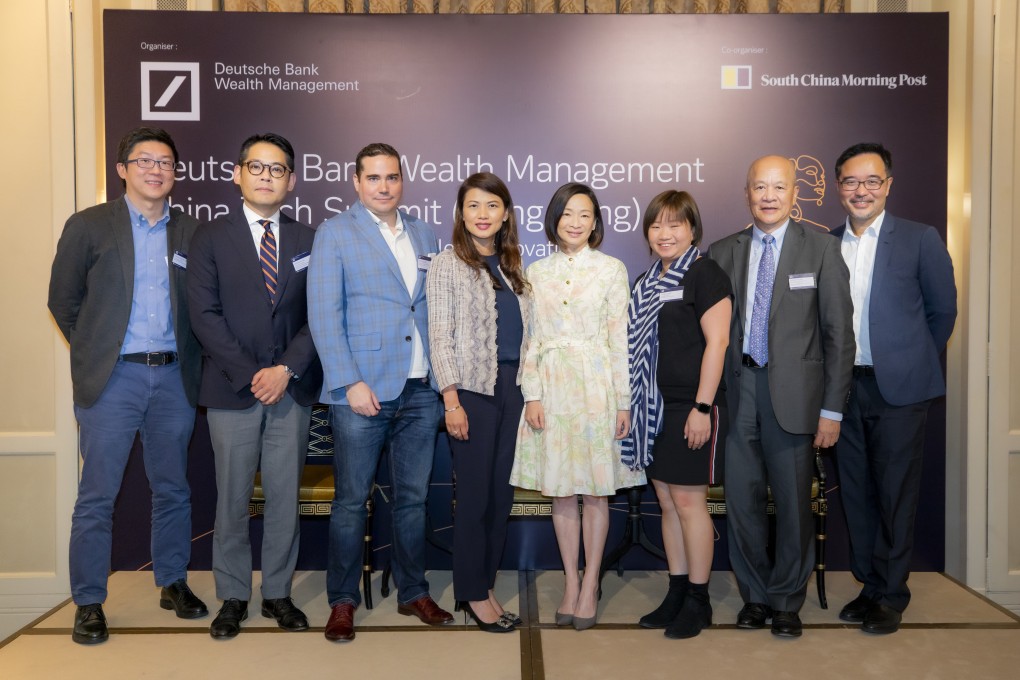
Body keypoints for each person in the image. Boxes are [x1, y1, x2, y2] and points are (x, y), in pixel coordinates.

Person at [48, 127, 208, 645]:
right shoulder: (89, 226)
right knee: (97, 495)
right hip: (114, 377)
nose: (155, 169)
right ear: (122, 170)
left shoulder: (193, 232)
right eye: (143, 160)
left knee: (173, 489)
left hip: (174, 377)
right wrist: (97, 348)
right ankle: (89, 600)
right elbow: (63, 301)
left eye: (165, 162)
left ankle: (173, 581)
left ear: (176, 173)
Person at [308, 142, 452, 643]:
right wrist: (350, 382)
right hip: (362, 393)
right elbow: (324, 314)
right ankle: (343, 601)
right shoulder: (334, 233)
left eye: (392, 177)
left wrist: (439, 378)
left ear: (402, 180)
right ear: (356, 181)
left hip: (419, 391)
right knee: (351, 501)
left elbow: (430, 308)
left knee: (412, 500)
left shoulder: (424, 231)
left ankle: (413, 591)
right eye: (374, 178)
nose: (384, 186)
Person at [707, 155, 854, 638]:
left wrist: (832, 410)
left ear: (795, 195)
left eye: (778, 188)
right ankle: (754, 596)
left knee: (793, 504)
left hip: (795, 398)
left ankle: (788, 599)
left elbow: (838, 336)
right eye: (759, 188)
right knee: (742, 503)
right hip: (739, 392)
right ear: (746, 194)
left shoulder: (822, 250)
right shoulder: (722, 251)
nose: (768, 197)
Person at [187, 132, 323, 639]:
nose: (267, 177)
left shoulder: (311, 240)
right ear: (237, 173)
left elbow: (321, 315)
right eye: (257, 167)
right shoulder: (209, 238)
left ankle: (279, 594)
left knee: (284, 497)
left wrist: (285, 369)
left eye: (278, 169)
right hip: (232, 391)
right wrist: (251, 375)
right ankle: (233, 595)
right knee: (233, 498)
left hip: (290, 389)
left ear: (291, 180)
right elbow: (204, 316)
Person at [830, 143, 957, 635]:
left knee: (896, 494)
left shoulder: (919, 239)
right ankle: (869, 584)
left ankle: (893, 592)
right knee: (858, 494)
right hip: (844, 390)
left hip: (900, 391)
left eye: (871, 181)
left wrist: (908, 358)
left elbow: (941, 312)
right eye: (850, 182)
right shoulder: (828, 245)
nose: (860, 190)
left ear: (888, 184)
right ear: (839, 187)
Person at [510, 182, 643, 631]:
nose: (575, 222)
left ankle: (590, 585)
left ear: (596, 222)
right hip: (551, 386)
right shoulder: (536, 272)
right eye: (568, 213)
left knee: (595, 491)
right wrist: (532, 394)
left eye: (585, 214)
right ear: (554, 218)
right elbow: (532, 339)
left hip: (597, 390)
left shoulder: (611, 270)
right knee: (562, 493)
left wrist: (623, 402)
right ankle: (570, 581)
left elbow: (619, 340)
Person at [426, 173, 532, 633]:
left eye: (492, 205)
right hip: (472, 392)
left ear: (505, 213)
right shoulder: (448, 264)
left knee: (500, 495)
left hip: (514, 391)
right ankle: (472, 592)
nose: (483, 214)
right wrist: (451, 400)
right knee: (473, 498)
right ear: (461, 212)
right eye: (473, 205)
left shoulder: (512, 264)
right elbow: (440, 336)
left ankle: (485, 584)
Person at [625, 190, 732, 639]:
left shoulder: (704, 273)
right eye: (656, 225)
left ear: (692, 229)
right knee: (666, 502)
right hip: (653, 407)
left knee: (690, 504)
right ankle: (677, 590)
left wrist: (703, 407)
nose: (664, 233)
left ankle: (699, 600)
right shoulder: (646, 281)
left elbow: (718, 343)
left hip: (692, 406)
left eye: (675, 224)